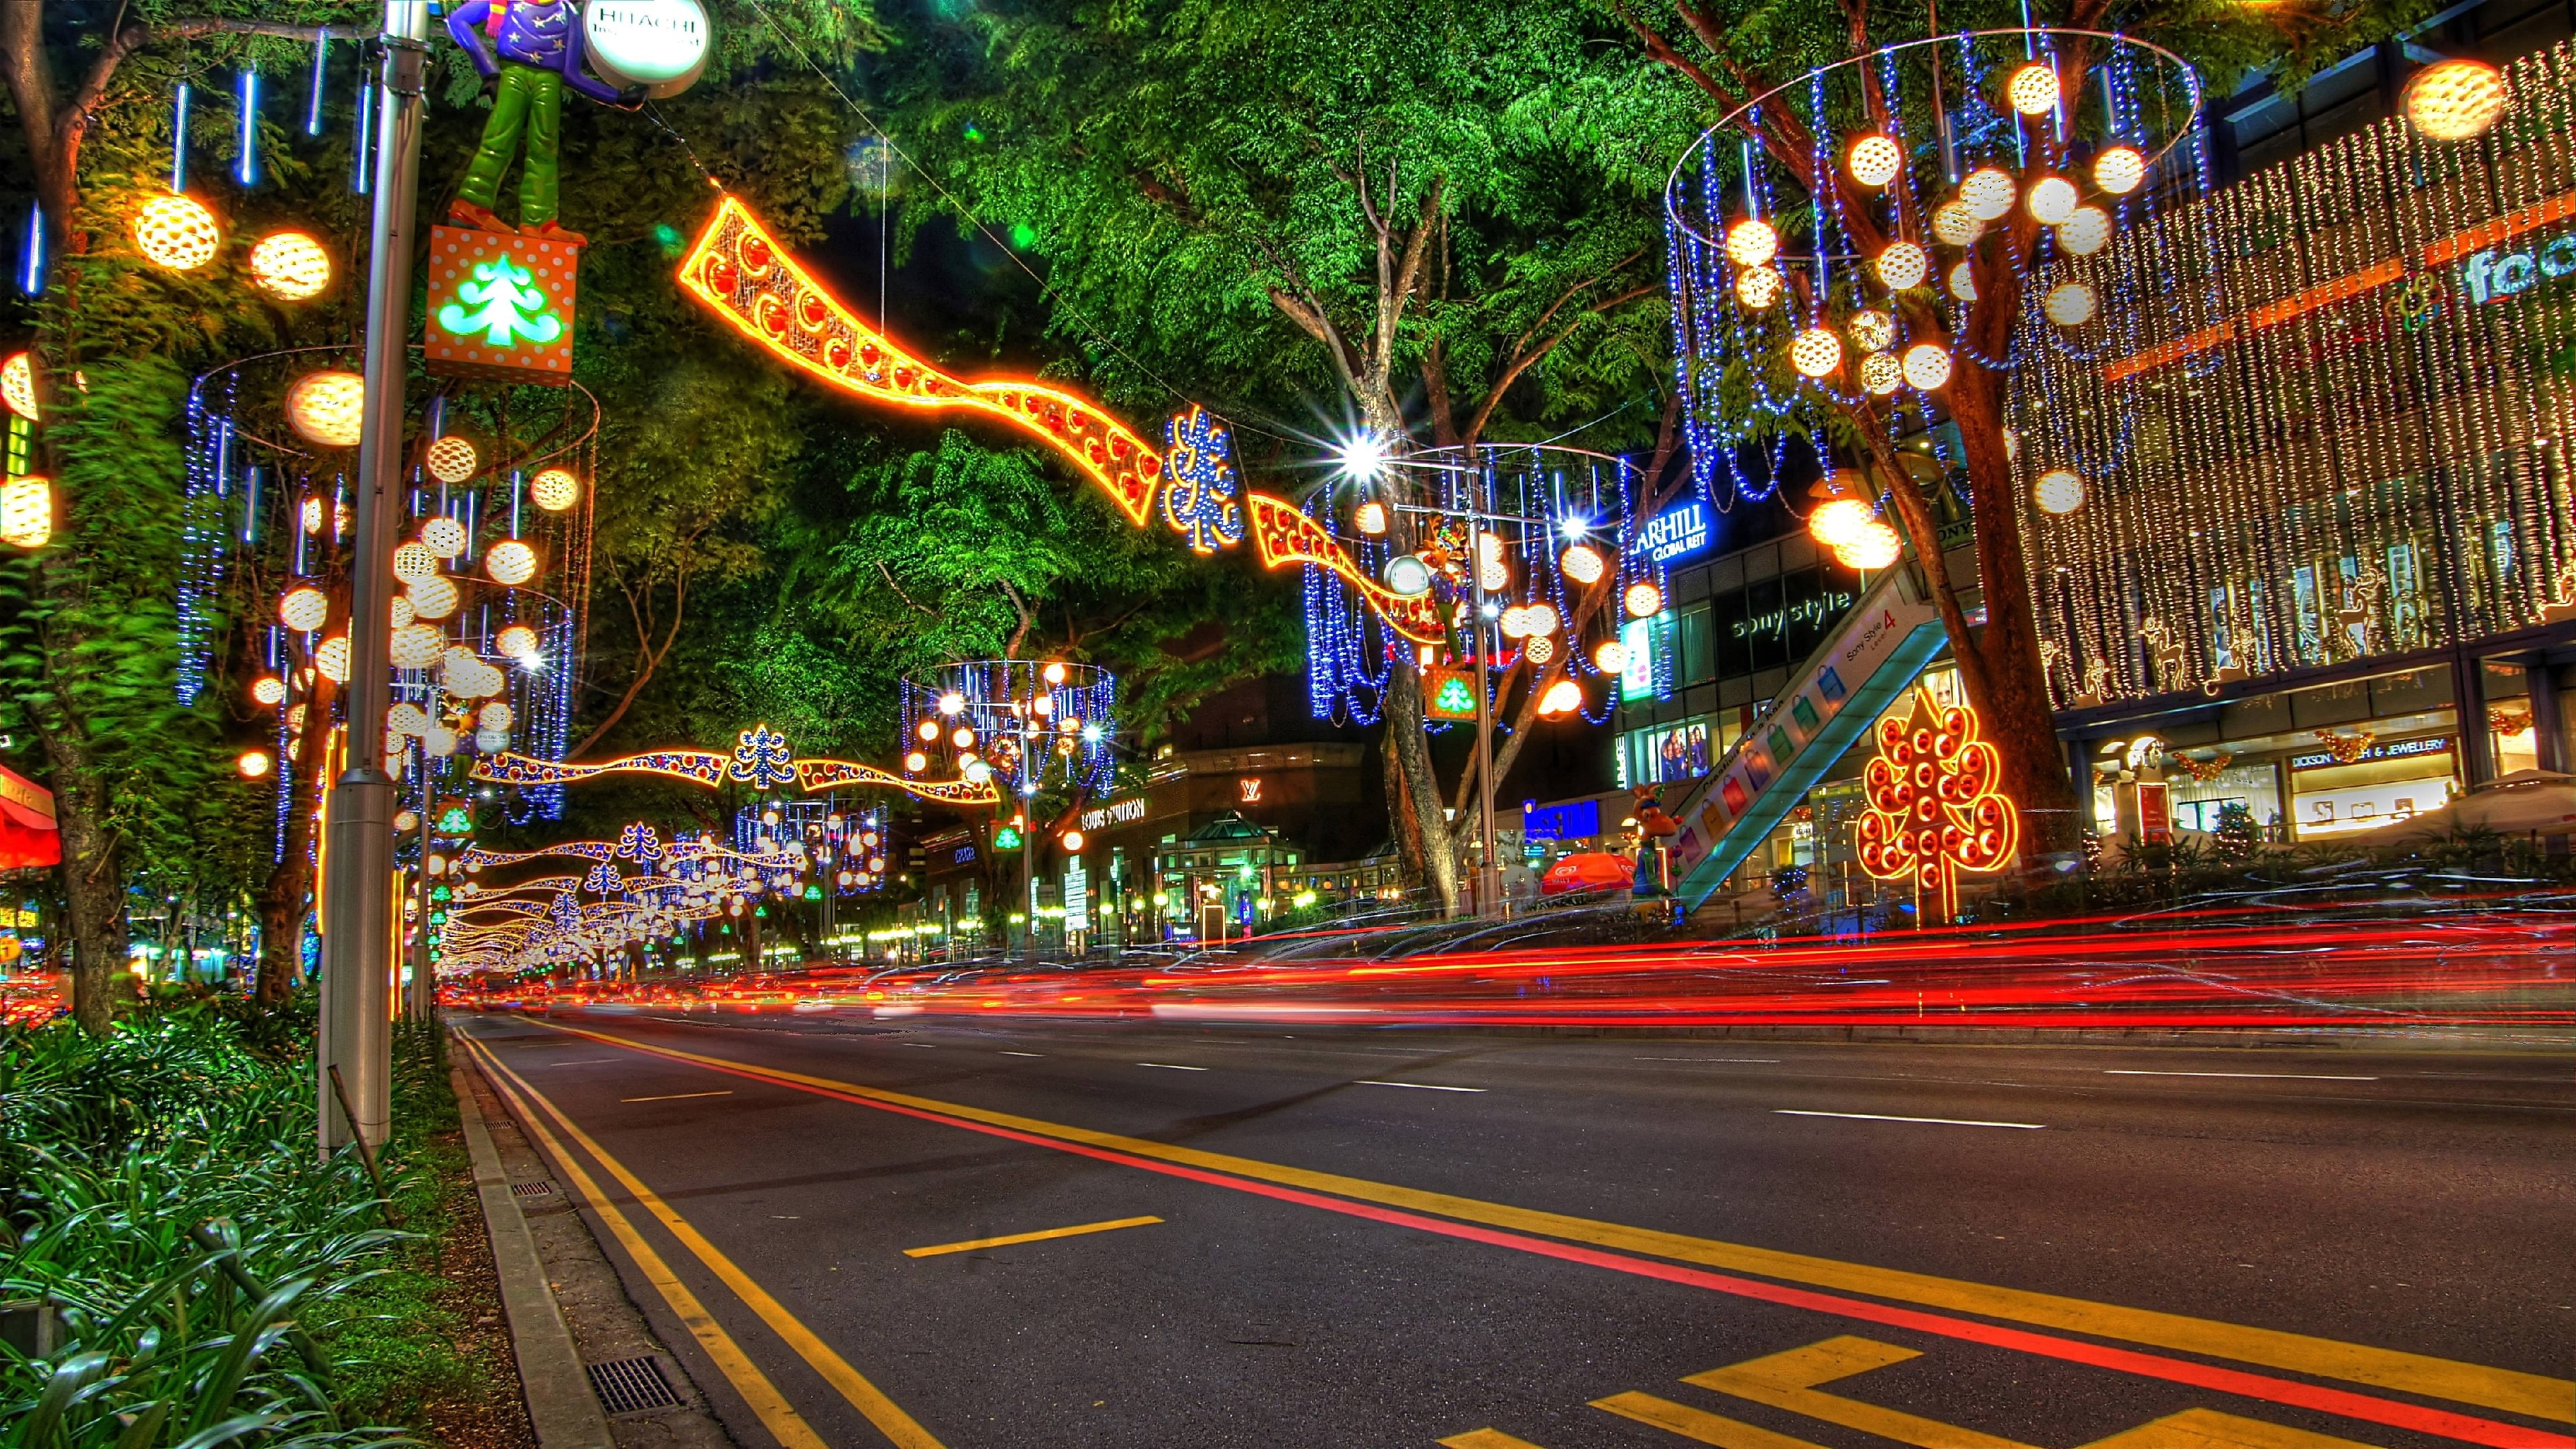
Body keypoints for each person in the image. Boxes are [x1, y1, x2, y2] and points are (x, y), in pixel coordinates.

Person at [443, 0, 642, 243]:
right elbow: (457, 21)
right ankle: (472, 204)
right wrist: (489, 72)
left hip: (549, 82)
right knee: (499, 138)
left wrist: (617, 98)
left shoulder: (568, 14)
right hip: (513, 74)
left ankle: (540, 223)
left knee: (545, 149)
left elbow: (571, 74)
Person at [1631, 783, 1678, 899]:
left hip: (1639, 891)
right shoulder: (1648, 853)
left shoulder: (1644, 852)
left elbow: (1635, 874)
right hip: (1647, 893)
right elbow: (1651, 878)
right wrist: (1664, 891)